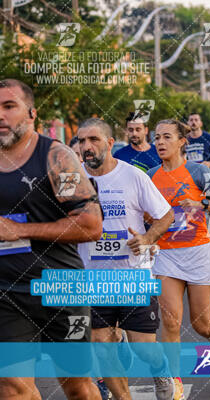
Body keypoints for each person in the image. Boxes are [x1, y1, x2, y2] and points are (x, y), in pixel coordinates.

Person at [0, 79, 103, 399]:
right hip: (6, 294)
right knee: (12, 386)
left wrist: (20, 230)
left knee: (78, 388)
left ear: (32, 114)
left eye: (8, 106)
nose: (0, 115)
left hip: (60, 288)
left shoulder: (56, 156)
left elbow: (90, 225)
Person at [76, 117, 177, 400]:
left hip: (134, 275)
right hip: (93, 279)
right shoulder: (71, 180)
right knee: (100, 343)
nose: (87, 146)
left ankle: (161, 369)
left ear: (109, 144)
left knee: (144, 347)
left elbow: (166, 215)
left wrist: (146, 239)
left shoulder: (133, 176)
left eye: (93, 140)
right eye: (81, 141)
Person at [148, 119, 210, 396]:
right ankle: (174, 384)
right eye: (157, 138)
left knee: (200, 324)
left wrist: (202, 203)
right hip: (166, 256)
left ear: (181, 141)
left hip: (197, 253)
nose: (160, 142)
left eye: (166, 137)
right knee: (171, 321)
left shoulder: (198, 172)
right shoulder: (150, 176)